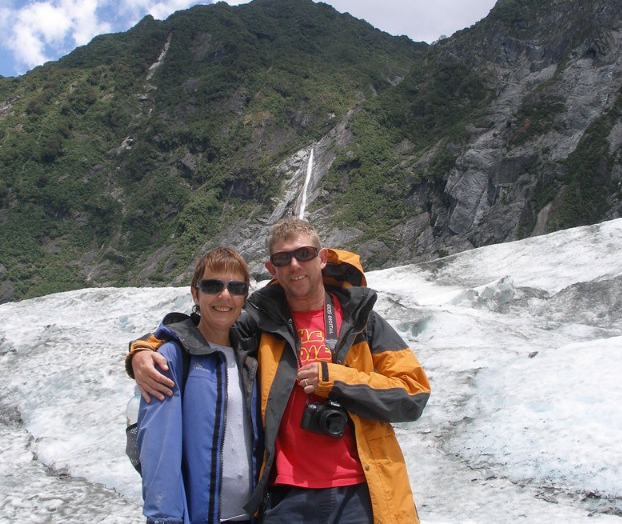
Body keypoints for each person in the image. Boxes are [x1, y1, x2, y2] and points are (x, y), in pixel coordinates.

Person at [127, 218, 431, 524]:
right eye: (282, 259)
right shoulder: (260, 322)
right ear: (272, 269)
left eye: (304, 254)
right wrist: (142, 349)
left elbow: (413, 393)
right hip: (286, 496)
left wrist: (336, 380)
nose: (295, 265)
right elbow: (202, 326)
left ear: (322, 258)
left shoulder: (362, 320)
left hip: (360, 490)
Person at [132, 247, 261, 524]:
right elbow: (158, 449)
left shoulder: (251, 356)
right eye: (213, 285)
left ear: (244, 298)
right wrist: (165, 518)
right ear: (195, 293)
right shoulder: (173, 357)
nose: (224, 295)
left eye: (235, 287)